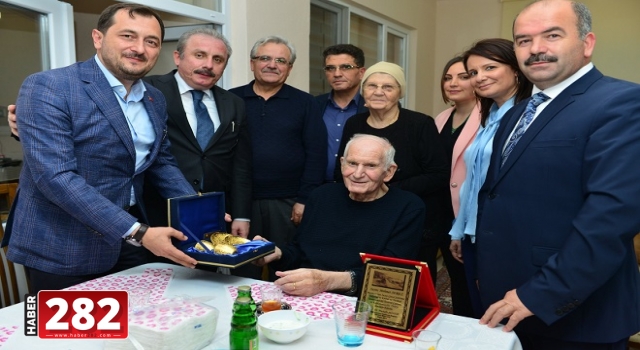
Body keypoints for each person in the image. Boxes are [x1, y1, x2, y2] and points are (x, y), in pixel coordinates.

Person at [0, 4, 200, 293]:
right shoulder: (49, 86)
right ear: (98, 38)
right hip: (62, 248)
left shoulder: (154, 98)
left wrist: (197, 208)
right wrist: (139, 232)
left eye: (151, 41)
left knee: (132, 330)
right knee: (62, 337)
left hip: (126, 244)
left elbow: (161, 163)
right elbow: (55, 177)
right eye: (128, 36)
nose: (139, 48)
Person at [477, 1, 640, 349]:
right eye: (523, 40)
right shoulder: (515, 113)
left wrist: (538, 295)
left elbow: (610, 219)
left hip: (574, 314)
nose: (536, 49)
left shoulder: (623, 103)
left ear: (587, 43)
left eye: (552, 35)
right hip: (506, 305)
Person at [254, 134, 425, 297]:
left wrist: (326, 281)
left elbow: (391, 274)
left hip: (364, 301)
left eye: (370, 166)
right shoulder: (322, 195)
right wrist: (277, 253)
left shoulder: (408, 207)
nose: (357, 174)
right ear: (342, 163)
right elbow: (300, 251)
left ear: (389, 172)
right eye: (352, 163)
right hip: (306, 294)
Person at [335, 61, 450, 292]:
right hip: (364, 217)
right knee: (368, 279)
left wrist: (387, 189)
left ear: (400, 93)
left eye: (388, 87)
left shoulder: (420, 124)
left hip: (412, 218)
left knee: (408, 288)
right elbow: (344, 168)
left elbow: (438, 174)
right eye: (372, 85)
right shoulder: (354, 123)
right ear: (363, 90)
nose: (378, 92)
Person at [447, 38, 532, 318]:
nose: (479, 77)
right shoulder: (489, 114)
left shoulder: (529, 116)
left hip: (505, 236)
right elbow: (472, 181)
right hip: (476, 232)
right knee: (480, 309)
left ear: (516, 69)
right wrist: (460, 230)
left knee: (502, 314)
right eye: (473, 72)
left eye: (490, 67)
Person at [142, 27, 251, 237]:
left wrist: (241, 215)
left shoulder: (235, 104)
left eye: (218, 59)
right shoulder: (149, 90)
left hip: (215, 214)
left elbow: (241, 164)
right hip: (156, 212)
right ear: (178, 57)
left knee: (203, 269)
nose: (208, 65)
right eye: (199, 55)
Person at [229, 36, 327, 262]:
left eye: (280, 61)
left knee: (285, 264)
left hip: (288, 203)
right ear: (252, 63)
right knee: (241, 265)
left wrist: (305, 199)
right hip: (240, 202)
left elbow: (316, 153)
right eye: (265, 58)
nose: (272, 65)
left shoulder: (305, 102)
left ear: (289, 68)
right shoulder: (231, 99)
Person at [432, 56, 480, 317]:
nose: (453, 83)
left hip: (466, 211)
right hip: (439, 209)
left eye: (463, 76)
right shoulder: (441, 117)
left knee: (470, 278)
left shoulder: (489, 117)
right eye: (448, 77)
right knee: (453, 274)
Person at [315, 44, 368, 182]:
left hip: (359, 187)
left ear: (361, 72)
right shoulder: (313, 105)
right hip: (317, 188)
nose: (337, 74)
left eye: (346, 67)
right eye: (330, 68)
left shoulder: (373, 107)